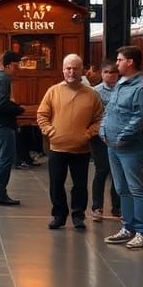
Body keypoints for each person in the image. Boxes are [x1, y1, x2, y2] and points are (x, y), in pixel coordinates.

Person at [36, 54, 102, 230]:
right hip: (57, 148)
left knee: (80, 185)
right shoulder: (53, 91)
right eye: (68, 68)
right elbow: (42, 115)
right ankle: (59, 215)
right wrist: (50, 131)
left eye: (75, 68)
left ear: (82, 71)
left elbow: (99, 119)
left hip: (81, 149)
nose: (71, 72)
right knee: (56, 183)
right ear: (63, 70)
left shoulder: (92, 94)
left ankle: (78, 215)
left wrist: (87, 135)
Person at [99, 45, 143, 250]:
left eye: (120, 60)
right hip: (112, 145)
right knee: (122, 188)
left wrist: (123, 137)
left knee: (136, 189)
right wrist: (103, 130)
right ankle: (128, 227)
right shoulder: (121, 83)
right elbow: (110, 110)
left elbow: (140, 117)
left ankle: (142, 232)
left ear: (130, 62)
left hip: (130, 147)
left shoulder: (142, 88)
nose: (117, 63)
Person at [0, 50, 25, 205]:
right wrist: (18, 109)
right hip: (2, 124)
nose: (18, 68)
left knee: (3, 158)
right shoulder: (3, 79)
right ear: (9, 65)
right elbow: (1, 104)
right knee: (6, 159)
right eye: (16, 65)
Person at [89, 60, 121, 221]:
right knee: (101, 170)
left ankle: (117, 207)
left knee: (117, 171)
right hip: (99, 136)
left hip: (117, 134)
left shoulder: (122, 90)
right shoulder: (94, 92)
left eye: (113, 72)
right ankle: (97, 207)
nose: (109, 75)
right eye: (106, 72)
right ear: (101, 74)